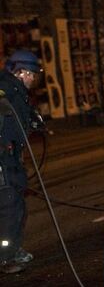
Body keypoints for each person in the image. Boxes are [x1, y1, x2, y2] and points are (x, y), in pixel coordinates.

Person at [0, 49, 42, 274]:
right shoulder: (6, 90)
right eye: (31, 74)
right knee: (9, 208)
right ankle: (6, 257)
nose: (33, 79)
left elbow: (20, 120)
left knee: (15, 205)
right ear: (21, 71)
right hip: (3, 160)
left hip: (10, 158)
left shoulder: (14, 90)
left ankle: (12, 250)